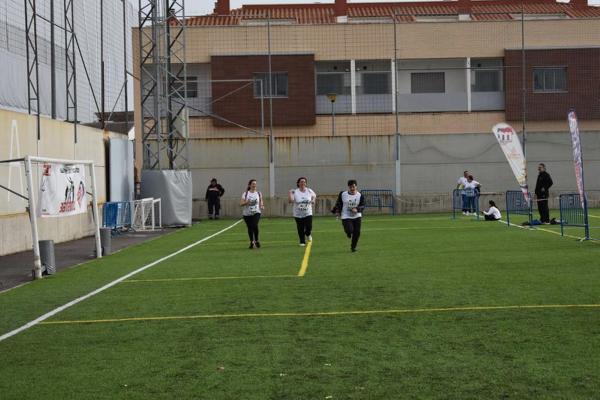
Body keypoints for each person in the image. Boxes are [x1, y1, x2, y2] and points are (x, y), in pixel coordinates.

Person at [334, 179, 365, 252]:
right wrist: (337, 211)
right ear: (348, 187)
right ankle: (348, 233)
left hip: (357, 216)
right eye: (350, 187)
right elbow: (339, 203)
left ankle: (353, 247)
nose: (352, 188)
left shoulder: (360, 195)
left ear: (356, 186)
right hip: (346, 216)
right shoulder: (343, 194)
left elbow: (363, 205)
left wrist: (357, 209)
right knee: (349, 230)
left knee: (357, 232)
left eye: (353, 187)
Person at [288, 177, 316, 247]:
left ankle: (308, 234)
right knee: (300, 227)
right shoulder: (295, 192)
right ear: (298, 183)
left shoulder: (309, 191)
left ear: (306, 183)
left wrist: (313, 201)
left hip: (308, 212)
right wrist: (290, 193)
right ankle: (302, 241)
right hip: (298, 214)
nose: (303, 183)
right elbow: (290, 201)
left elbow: (314, 196)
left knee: (309, 227)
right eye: (301, 182)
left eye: (304, 182)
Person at [240, 179, 264, 249]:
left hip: (256, 212)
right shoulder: (245, 194)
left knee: (254, 225)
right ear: (249, 185)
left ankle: (256, 240)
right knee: (250, 227)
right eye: (253, 184)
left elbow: (261, 201)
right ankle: (251, 242)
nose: (254, 185)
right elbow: (241, 203)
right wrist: (246, 202)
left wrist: (262, 205)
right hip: (247, 214)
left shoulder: (259, 193)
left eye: (255, 184)